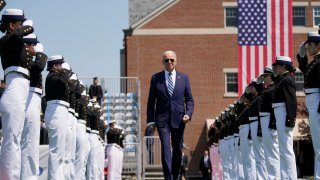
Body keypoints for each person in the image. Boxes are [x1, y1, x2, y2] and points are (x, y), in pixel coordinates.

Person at [147, 50, 194, 180]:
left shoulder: (183, 78)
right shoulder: (156, 78)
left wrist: (188, 114)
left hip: (179, 120)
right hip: (162, 120)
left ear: (175, 61)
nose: (169, 62)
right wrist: (151, 120)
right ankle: (168, 177)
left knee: (178, 149)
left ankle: (175, 175)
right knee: (166, 147)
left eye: (171, 60)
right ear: (162, 62)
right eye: (166, 60)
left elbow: (189, 100)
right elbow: (151, 101)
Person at [0, 9, 34, 179]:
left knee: (15, 141)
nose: (23, 26)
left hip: (19, 90)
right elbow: (26, 30)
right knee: (11, 142)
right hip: (13, 91)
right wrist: (27, 25)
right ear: (12, 25)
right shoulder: (8, 39)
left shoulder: (14, 40)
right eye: (20, 23)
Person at [20, 34, 48, 179]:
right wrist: (40, 53)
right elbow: (39, 66)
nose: (34, 47)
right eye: (33, 45)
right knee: (29, 142)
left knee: (32, 142)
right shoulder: (24, 57)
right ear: (27, 45)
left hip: (33, 98)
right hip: (29, 97)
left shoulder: (28, 57)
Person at [297, 31, 320, 179]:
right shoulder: (315, 62)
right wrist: (302, 56)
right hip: (312, 102)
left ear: (319, 45)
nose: (308, 47)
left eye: (310, 45)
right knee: (317, 146)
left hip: (317, 102)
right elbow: (306, 71)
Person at [272, 56, 297, 179]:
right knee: (283, 149)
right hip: (280, 113)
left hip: (283, 114)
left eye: (277, 65)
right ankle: (285, 176)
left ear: (283, 66)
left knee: (286, 149)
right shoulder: (283, 79)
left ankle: (291, 177)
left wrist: (290, 120)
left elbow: (291, 101)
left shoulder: (287, 79)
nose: (275, 68)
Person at [45, 55, 70, 179]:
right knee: (56, 152)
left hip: (60, 111)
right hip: (56, 112)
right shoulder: (52, 76)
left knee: (60, 152)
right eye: (60, 65)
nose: (61, 67)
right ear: (55, 66)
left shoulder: (56, 76)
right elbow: (62, 81)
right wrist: (65, 71)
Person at [258, 66, 280, 179]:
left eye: (265, 76)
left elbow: (273, 109)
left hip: (269, 121)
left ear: (271, 76)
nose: (263, 78)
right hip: (264, 120)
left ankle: (274, 177)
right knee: (267, 152)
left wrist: (272, 125)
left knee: (272, 152)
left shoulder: (273, 90)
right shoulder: (267, 90)